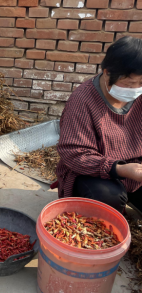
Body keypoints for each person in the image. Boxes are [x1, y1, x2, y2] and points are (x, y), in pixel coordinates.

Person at [57, 36, 142, 213]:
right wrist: (121, 169)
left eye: (141, 83)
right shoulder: (83, 100)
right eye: (129, 83)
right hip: (93, 173)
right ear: (107, 73)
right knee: (106, 197)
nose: (136, 89)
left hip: (135, 169)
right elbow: (74, 154)